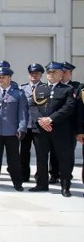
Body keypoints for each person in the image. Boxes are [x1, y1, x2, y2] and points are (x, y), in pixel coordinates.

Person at [28, 61, 76, 196]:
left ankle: (65, 187)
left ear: (61, 74)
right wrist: (41, 120)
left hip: (60, 131)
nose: (50, 74)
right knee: (41, 158)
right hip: (41, 130)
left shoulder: (68, 89)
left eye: (54, 72)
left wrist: (50, 119)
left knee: (63, 159)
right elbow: (32, 106)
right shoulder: (40, 88)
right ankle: (42, 184)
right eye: (49, 72)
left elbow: (68, 108)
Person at [0, 66, 28, 191]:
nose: (1, 79)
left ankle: (17, 182)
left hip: (12, 132)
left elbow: (22, 113)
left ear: (10, 78)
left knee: (14, 159)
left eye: (3, 77)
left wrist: (22, 128)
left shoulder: (18, 93)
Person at [19, 63, 45, 183]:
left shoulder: (45, 88)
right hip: (26, 126)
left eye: (37, 73)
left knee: (41, 153)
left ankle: (40, 175)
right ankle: (24, 175)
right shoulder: (22, 89)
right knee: (24, 152)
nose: (34, 75)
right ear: (29, 75)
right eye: (32, 73)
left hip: (39, 126)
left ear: (41, 75)